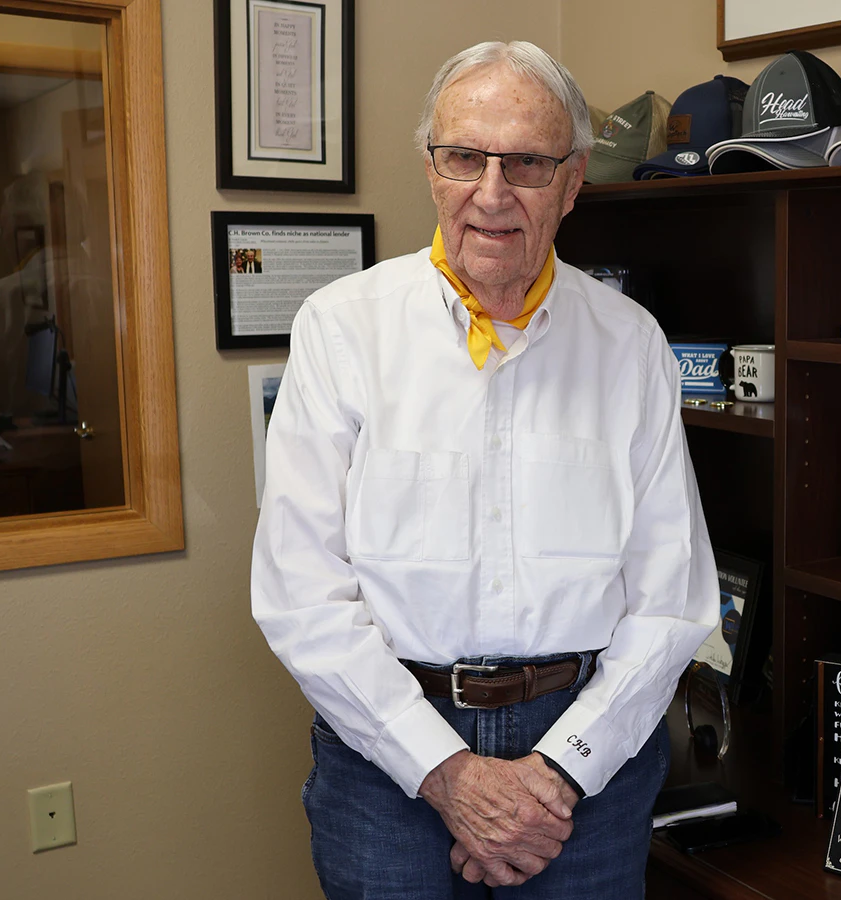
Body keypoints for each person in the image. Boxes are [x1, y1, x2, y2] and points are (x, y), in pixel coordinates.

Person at [251, 40, 718, 898]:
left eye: (528, 164)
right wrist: (446, 774)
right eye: (464, 156)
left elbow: (673, 598)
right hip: (387, 751)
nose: (491, 193)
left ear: (573, 182)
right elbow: (300, 591)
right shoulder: (341, 329)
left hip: (589, 756)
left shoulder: (630, 344)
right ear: (432, 168)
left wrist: (557, 775)